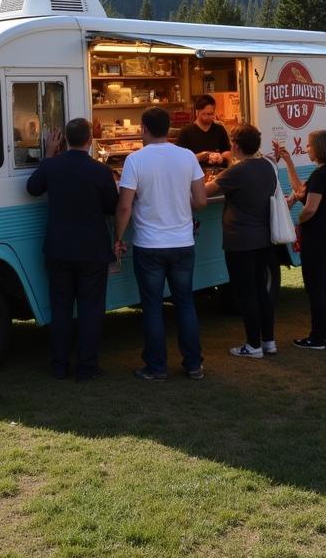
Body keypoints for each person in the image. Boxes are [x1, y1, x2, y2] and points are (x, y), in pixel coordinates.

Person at [115, 107, 207, 381]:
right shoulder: (187, 156)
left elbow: (124, 206)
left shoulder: (135, 160)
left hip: (150, 244)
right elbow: (201, 201)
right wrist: (181, 202)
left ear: (143, 128)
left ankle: (157, 367)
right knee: (185, 303)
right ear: (169, 129)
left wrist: (117, 238)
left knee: (153, 307)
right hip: (182, 242)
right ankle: (193, 364)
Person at [26, 118, 118, 381]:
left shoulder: (52, 166)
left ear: (64, 139)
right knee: (91, 310)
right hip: (92, 248)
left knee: (61, 308)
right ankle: (87, 367)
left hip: (59, 248)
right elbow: (112, 206)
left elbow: (32, 188)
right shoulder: (100, 171)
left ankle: (59, 365)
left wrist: (47, 155)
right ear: (90, 140)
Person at [205, 123, 278, 357]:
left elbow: (206, 191)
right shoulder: (267, 166)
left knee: (246, 294)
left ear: (235, 146)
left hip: (240, 241)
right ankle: (268, 341)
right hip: (264, 238)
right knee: (261, 292)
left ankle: (253, 344)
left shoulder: (237, 171)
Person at [276, 129, 326, 348]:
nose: (306, 149)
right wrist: (288, 162)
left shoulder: (321, 175)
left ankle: (316, 337)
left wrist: (300, 221)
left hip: (318, 236)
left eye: (309, 145)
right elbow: (300, 190)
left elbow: (310, 207)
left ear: (318, 147)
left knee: (316, 287)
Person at [175, 94, 231, 168]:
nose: (210, 117)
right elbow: (179, 160)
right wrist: (200, 157)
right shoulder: (186, 132)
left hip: (218, 173)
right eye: (206, 114)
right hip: (196, 175)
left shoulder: (219, 129)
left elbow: (228, 152)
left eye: (212, 113)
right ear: (197, 113)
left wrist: (221, 156)